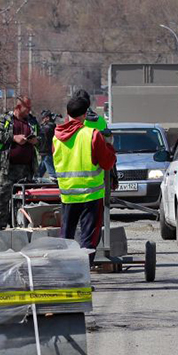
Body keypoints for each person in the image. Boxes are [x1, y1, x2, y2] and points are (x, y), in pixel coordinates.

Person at [53, 91, 116, 258]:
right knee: (88, 241)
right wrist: (109, 147)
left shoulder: (57, 137)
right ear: (84, 114)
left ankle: (66, 276)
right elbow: (107, 163)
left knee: (66, 238)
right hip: (91, 195)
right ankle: (83, 278)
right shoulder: (92, 135)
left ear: (68, 114)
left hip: (68, 195)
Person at [0, 96, 39, 232]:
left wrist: (36, 141)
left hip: (26, 169)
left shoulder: (31, 122)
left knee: (23, 201)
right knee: (2, 200)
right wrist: (13, 137)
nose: (29, 110)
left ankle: (20, 228)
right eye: (27, 107)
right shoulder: (4, 119)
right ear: (18, 107)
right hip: (7, 168)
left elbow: (43, 138)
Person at [35, 110, 57, 179]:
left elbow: (42, 131)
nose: (43, 120)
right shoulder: (49, 126)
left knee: (52, 174)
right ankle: (36, 177)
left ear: (47, 118)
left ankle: (54, 179)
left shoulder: (49, 127)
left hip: (46, 151)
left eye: (43, 118)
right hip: (45, 151)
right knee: (41, 169)